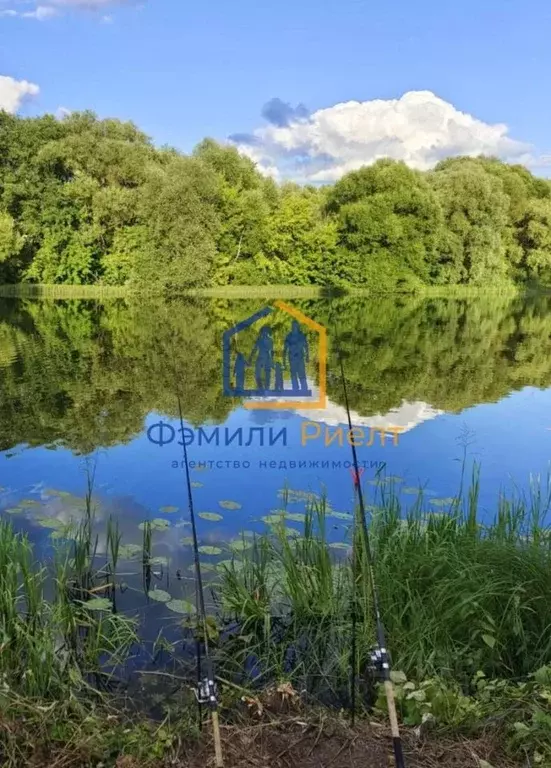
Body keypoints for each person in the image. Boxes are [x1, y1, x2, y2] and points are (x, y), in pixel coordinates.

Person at [284, 320, 309, 392]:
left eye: (295, 325)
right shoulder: (289, 336)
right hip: (292, 358)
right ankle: (295, 388)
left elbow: (306, 346)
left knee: (302, 373)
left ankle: (304, 389)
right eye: (293, 325)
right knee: (293, 374)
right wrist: (284, 362)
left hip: (300, 357)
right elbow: (285, 350)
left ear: (298, 326)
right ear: (291, 326)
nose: (294, 327)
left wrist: (307, 356)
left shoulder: (302, 335)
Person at [250, 325, 273, 392]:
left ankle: (262, 389)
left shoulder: (260, 340)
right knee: (267, 375)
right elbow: (271, 352)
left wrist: (250, 358)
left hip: (261, 358)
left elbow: (254, 350)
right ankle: (265, 389)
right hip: (266, 359)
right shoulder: (270, 340)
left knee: (258, 375)